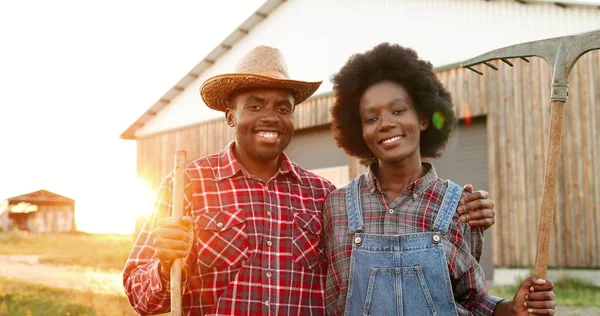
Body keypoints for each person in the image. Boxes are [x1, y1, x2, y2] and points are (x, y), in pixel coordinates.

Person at [123, 45, 498, 315]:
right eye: (254, 105)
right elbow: (141, 296)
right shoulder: (187, 185)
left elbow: (387, 246)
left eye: (282, 108)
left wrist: (459, 205)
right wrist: (162, 265)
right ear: (230, 117)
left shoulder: (322, 197)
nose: (270, 117)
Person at [323, 42, 556, 316]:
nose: (386, 123)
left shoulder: (461, 206)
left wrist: (513, 309)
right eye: (371, 118)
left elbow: (472, 300)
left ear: (423, 118)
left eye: (398, 111)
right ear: (359, 130)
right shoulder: (336, 206)